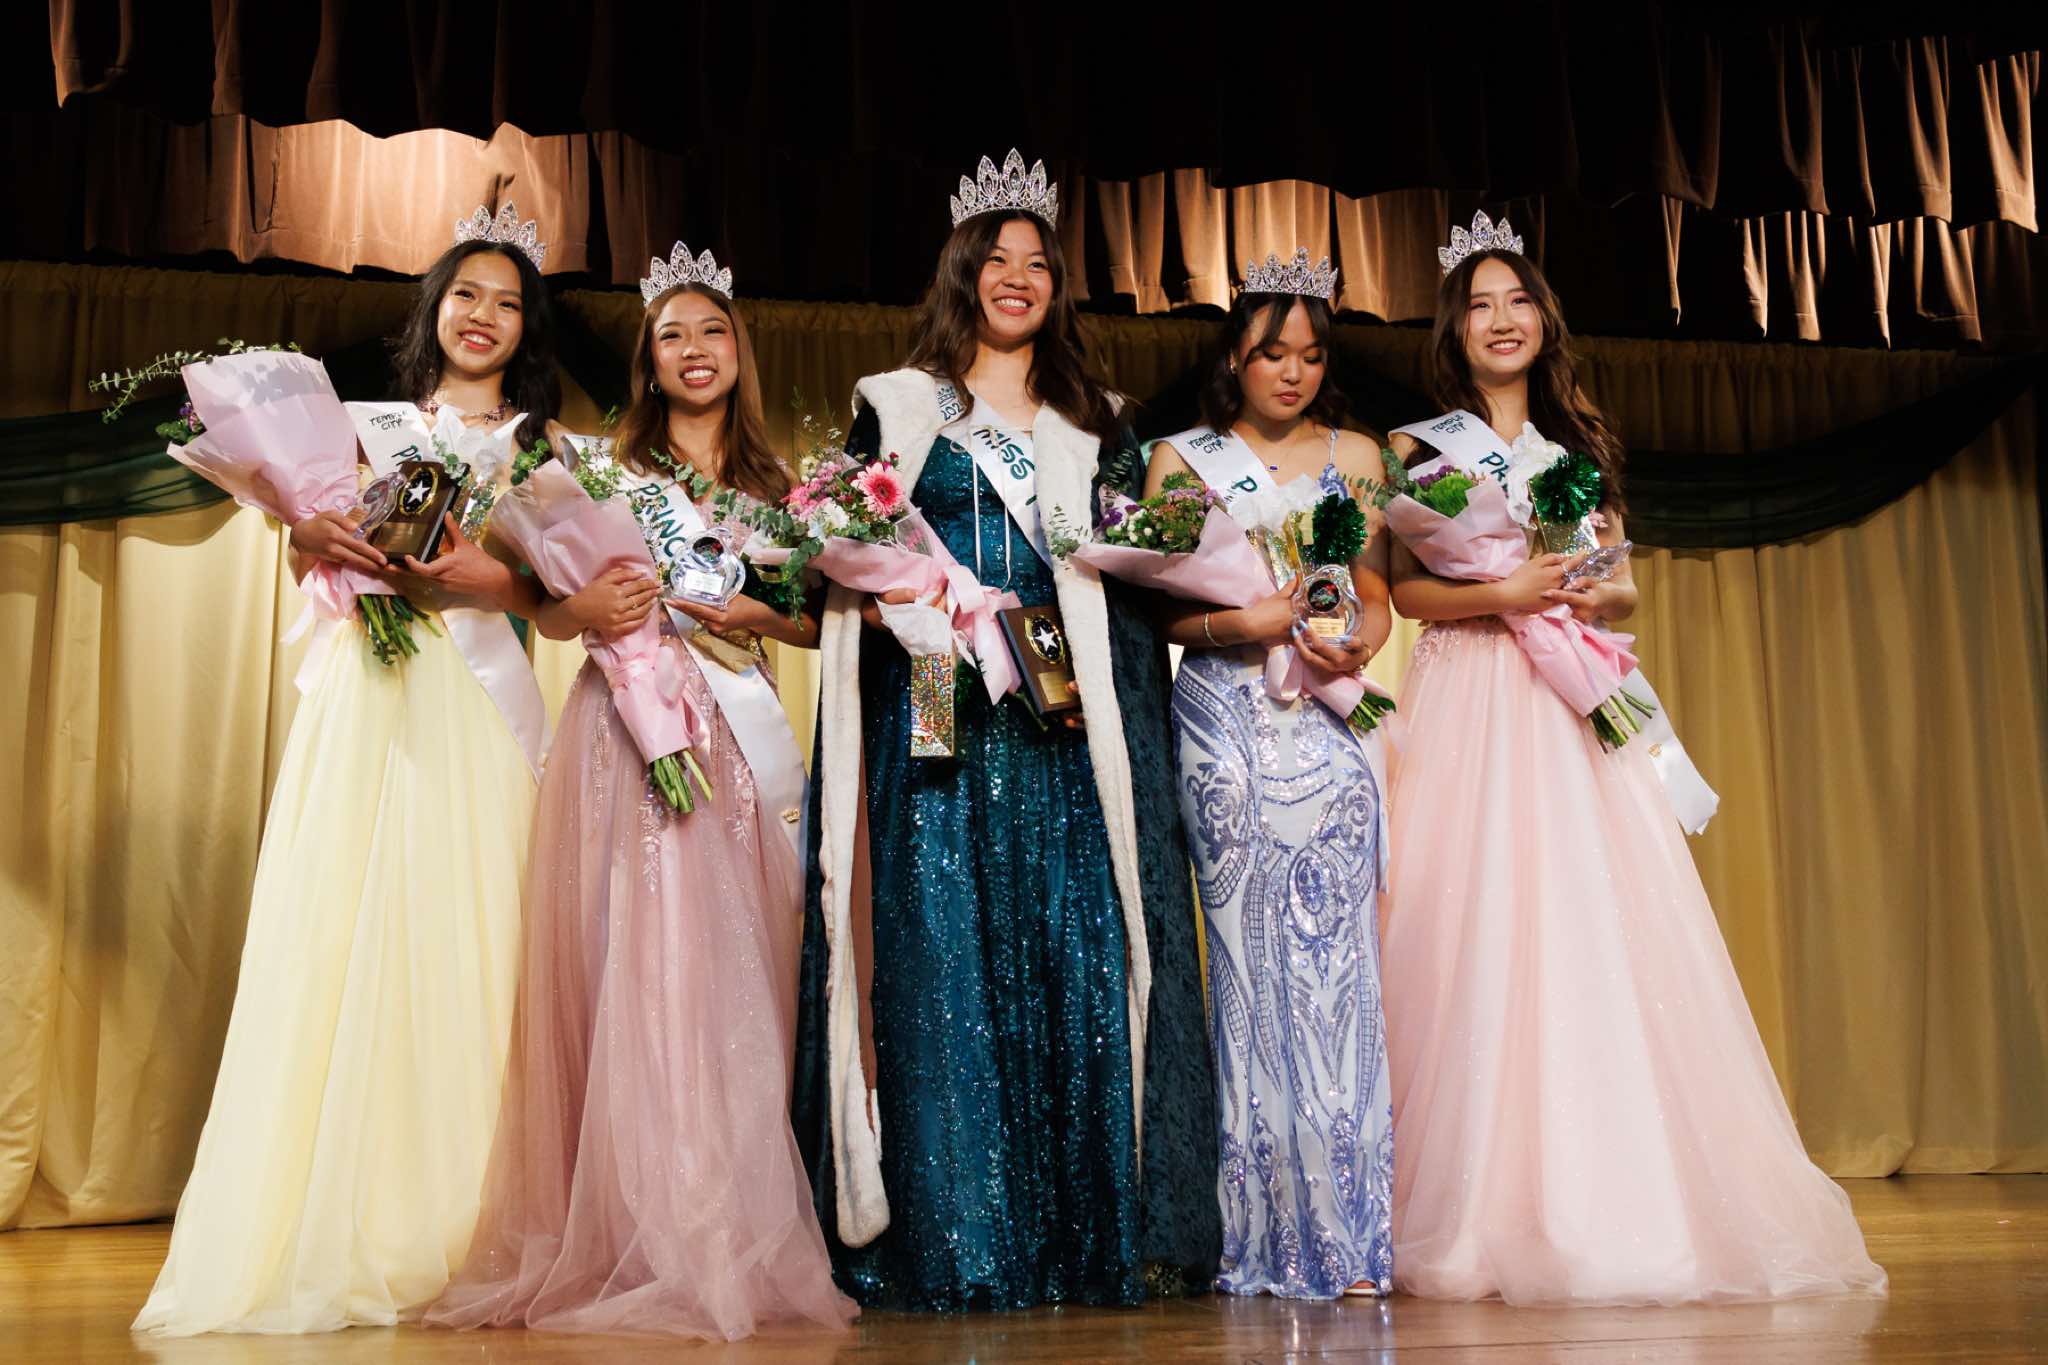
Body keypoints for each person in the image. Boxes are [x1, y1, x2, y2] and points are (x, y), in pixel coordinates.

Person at [1378, 214, 1888, 1305]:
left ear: (1543, 320)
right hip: (1471, 689)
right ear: (1453, 330)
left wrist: (1589, 589)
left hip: (1563, 697)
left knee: (1581, 918)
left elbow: (1623, 585)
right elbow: (1406, 595)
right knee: (1463, 915)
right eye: (1479, 304)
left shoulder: (1576, 447)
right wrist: (1502, 590)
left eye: (1517, 300)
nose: (1501, 319)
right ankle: (1461, 1198)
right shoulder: (1421, 453)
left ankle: (1606, 1187)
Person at [791, 151, 1218, 1310]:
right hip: (935, 695)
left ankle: (1080, 1238)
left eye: (1036, 262)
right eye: (996, 258)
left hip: (1062, 710)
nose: (1016, 277)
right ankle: (956, 1241)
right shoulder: (899, 405)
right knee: (939, 954)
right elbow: (837, 554)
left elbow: (1139, 575)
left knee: (1074, 949)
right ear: (962, 274)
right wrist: (910, 597)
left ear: (1056, 286)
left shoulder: (1099, 423)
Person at [135, 205, 557, 1335]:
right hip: (372, 694)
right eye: (466, 295)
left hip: (476, 703)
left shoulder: (544, 448)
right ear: (434, 309)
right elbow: (315, 547)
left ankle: (467, 1215)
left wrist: (482, 580)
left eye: (508, 302)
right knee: (347, 930)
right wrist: (308, 536)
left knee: (474, 936)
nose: (483, 316)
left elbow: (550, 598)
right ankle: (339, 1209)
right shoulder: (370, 427)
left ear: (528, 329)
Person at [1146, 250, 1397, 1298]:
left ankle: (1354, 1235)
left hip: (1328, 722)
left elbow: (1376, 590)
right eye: (1270, 353)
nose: (1291, 372)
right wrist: (1240, 620)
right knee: (1247, 971)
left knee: (1338, 970)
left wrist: (1362, 637)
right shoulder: (1179, 459)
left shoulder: (1361, 455)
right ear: (1234, 359)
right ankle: (1258, 1234)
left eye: (1309, 355)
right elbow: (1159, 611)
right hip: (1223, 725)